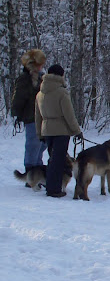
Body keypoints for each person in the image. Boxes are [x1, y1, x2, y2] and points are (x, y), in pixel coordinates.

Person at [35, 64, 83, 198]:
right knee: (58, 160)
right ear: (60, 75)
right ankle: (54, 189)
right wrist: (77, 131)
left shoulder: (40, 93)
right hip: (61, 131)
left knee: (52, 159)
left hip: (47, 130)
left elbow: (37, 115)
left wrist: (39, 133)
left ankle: (51, 186)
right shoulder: (62, 92)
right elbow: (69, 114)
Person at [11, 49, 48, 184]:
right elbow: (19, 98)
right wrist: (17, 113)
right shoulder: (25, 79)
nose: (41, 67)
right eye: (39, 64)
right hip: (31, 116)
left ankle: (37, 172)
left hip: (42, 116)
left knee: (41, 145)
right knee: (33, 144)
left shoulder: (41, 78)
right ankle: (30, 174)